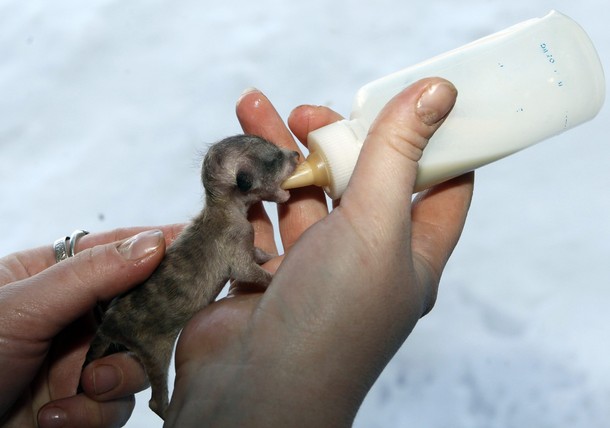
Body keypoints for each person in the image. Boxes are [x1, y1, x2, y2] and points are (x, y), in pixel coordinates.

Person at [0, 77, 473, 428]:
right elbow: (241, 266)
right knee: (154, 352)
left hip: (138, 311)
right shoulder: (227, 234)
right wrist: (288, 286)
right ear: (245, 187)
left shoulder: (221, 225)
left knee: (125, 365)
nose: (288, 165)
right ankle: (163, 401)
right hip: (153, 315)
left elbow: (246, 261)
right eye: (272, 165)